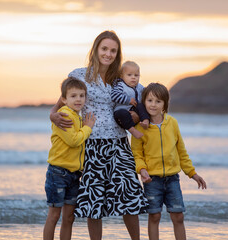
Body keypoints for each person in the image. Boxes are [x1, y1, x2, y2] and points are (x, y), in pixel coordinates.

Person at [50, 30, 148, 240]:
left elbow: (145, 103)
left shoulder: (122, 79)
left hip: (120, 144)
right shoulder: (79, 75)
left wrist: (137, 117)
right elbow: (60, 103)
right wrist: (52, 116)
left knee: (129, 197)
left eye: (113, 50)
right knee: (93, 202)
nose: (108, 54)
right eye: (104, 49)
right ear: (95, 49)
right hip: (92, 145)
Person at [131, 83, 207, 240]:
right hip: (152, 180)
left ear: (165, 104)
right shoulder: (139, 127)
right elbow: (136, 154)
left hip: (172, 179)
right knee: (154, 217)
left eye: (158, 101)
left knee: (178, 216)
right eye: (150, 100)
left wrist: (192, 173)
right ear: (144, 102)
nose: (153, 104)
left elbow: (181, 151)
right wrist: (142, 170)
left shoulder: (172, 123)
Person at [43, 77, 96, 240]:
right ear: (64, 99)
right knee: (54, 215)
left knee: (69, 218)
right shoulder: (64, 115)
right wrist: (88, 128)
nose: (78, 99)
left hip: (74, 175)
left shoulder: (77, 116)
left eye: (81, 95)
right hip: (58, 173)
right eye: (73, 96)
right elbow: (74, 141)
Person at [111, 61, 150, 139]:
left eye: (136, 75)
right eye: (129, 75)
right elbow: (114, 95)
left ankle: (145, 121)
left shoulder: (139, 87)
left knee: (141, 106)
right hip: (122, 113)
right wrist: (128, 100)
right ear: (122, 76)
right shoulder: (120, 85)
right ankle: (133, 131)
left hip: (135, 111)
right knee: (122, 113)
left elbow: (147, 94)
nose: (133, 77)